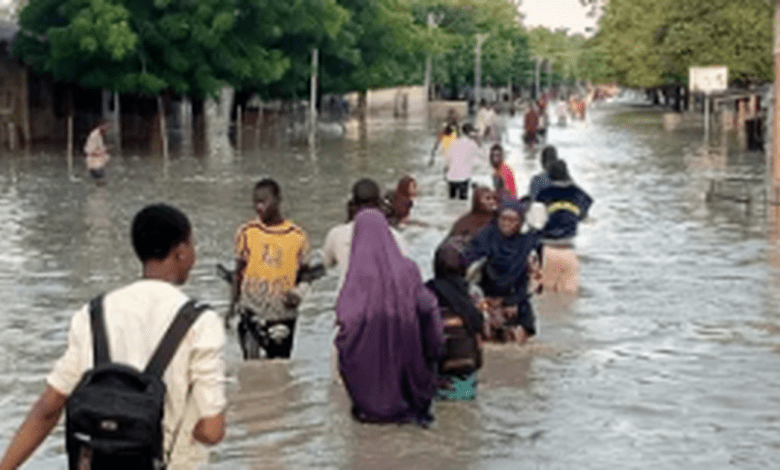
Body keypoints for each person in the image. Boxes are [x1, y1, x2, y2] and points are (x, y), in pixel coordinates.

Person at [0, 204, 226, 470]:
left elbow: (48, 408)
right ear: (181, 252)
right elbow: (212, 431)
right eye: (192, 245)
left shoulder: (93, 314)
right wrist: (191, 433)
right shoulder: (201, 322)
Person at [335, 209, 444, 425]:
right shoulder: (409, 269)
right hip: (409, 380)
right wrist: (434, 352)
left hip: (366, 397)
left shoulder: (355, 278)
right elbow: (428, 307)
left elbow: (346, 320)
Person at [231, 178, 312, 359]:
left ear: (278, 200)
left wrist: (299, 294)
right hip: (251, 310)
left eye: (263, 201)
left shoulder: (297, 236)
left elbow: (306, 274)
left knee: (279, 366)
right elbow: (238, 272)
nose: (258, 207)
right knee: (250, 367)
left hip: (282, 314)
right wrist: (231, 308)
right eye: (255, 202)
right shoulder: (247, 232)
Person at [464, 199, 542, 344]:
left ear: (520, 222)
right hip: (485, 299)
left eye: (513, 220)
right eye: (503, 218)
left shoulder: (528, 244)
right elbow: (467, 273)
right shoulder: (484, 238)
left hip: (517, 299)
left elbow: (535, 279)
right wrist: (485, 302)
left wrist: (512, 301)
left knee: (519, 346)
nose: (507, 224)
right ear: (497, 218)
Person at [322, 178, 409, 290]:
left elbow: (327, 264)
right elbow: (405, 269)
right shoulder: (394, 236)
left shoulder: (336, 234)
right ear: (379, 204)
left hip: (347, 300)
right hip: (384, 301)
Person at [426, 237, 484, 400]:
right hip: (467, 365)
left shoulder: (425, 291)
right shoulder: (473, 292)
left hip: (437, 367)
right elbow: (482, 324)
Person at [534, 159, 593, 294]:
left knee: (548, 296)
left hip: (547, 250)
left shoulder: (543, 194)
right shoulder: (578, 194)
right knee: (569, 298)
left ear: (549, 175)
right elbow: (585, 214)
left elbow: (536, 223)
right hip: (569, 250)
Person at [446, 123, 482, 200]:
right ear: (470, 133)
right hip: (463, 178)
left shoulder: (453, 143)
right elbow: (481, 158)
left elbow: (448, 161)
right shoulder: (472, 144)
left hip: (451, 178)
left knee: (451, 201)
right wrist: (479, 142)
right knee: (462, 202)